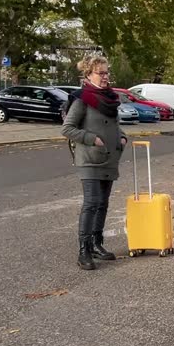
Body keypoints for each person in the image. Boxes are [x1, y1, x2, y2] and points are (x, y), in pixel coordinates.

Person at [62, 55, 127, 270]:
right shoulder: (82, 98)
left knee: (103, 203)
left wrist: (122, 136)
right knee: (92, 202)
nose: (106, 76)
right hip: (89, 159)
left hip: (109, 158)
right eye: (101, 73)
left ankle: (97, 244)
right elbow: (68, 128)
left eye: (107, 72)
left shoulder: (110, 98)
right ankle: (84, 251)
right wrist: (92, 139)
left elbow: (115, 124)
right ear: (89, 74)